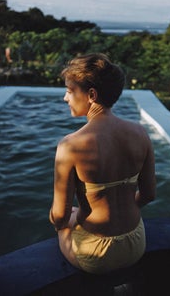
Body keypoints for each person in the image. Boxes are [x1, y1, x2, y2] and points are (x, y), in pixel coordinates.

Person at [49, 53, 156, 274]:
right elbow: (148, 195)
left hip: (95, 254)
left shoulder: (70, 146)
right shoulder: (140, 133)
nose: (65, 98)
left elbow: (59, 217)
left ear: (91, 95)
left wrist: (63, 219)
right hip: (136, 243)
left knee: (63, 223)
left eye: (69, 91)